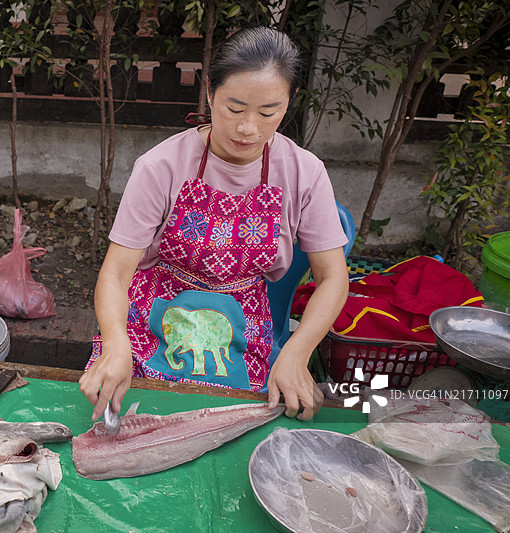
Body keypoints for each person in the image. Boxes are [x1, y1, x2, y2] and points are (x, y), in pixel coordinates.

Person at [79, 27, 349, 423]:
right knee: (131, 418)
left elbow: (333, 277)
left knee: (236, 425)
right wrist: (116, 346)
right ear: (209, 92)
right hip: (152, 314)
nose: (248, 129)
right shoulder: (161, 166)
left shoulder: (305, 173)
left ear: (288, 103)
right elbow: (117, 273)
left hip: (239, 325)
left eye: (268, 112)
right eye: (235, 109)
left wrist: (296, 352)